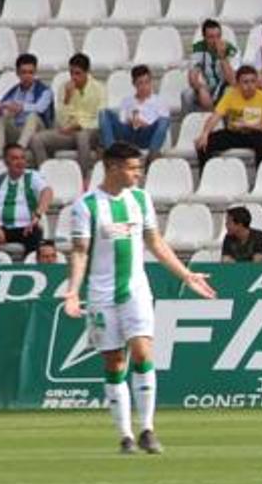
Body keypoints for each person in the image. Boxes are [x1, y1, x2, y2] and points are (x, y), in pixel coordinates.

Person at [64, 142, 216, 454]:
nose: (138, 174)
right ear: (113, 167)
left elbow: (155, 242)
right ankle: (125, 435)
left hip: (135, 290)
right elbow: (80, 252)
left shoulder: (141, 200)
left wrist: (186, 275)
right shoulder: (87, 206)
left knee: (143, 353)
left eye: (139, 168)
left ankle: (147, 429)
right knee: (115, 361)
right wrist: (73, 292)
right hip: (101, 294)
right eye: (133, 168)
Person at [31, 53, 103, 175]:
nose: (74, 77)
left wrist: (79, 125)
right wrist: (67, 98)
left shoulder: (99, 88)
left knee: (82, 135)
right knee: (37, 139)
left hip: (90, 132)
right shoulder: (63, 88)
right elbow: (60, 119)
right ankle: (46, 177)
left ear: (87, 72)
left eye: (78, 73)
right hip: (67, 132)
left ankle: (82, 178)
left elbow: (101, 119)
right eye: (71, 73)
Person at [195, 65, 262, 166]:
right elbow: (216, 116)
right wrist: (205, 133)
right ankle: (207, 177)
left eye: (253, 81)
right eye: (245, 82)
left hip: (257, 133)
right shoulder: (231, 95)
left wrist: (248, 125)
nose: (250, 85)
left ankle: (261, 178)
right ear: (238, 83)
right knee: (203, 145)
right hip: (234, 133)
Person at [0, 143, 52, 254]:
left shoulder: (32, 176)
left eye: (23, 158)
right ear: (6, 162)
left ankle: (31, 268)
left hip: (26, 227)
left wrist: (37, 215)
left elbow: (47, 192)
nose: (20, 162)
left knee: (35, 233)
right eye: (15, 158)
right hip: (0, 228)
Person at [98, 65, 170, 160]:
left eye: (147, 82)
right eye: (140, 83)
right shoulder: (126, 101)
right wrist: (129, 120)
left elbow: (162, 127)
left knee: (164, 120)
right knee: (103, 113)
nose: (144, 87)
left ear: (151, 82)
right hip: (128, 133)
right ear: (134, 84)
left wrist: (145, 124)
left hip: (147, 135)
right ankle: (112, 153)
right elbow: (122, 121)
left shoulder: (159, 101)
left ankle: (152, 155)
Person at [0, 53, 52, 158]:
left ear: (35, 73)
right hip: (17, 128)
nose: (27, 76)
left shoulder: (45, 91)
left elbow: (41, 108)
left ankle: (19, 151)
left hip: (38, 131)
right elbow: (3, 105)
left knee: (33, 115)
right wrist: (2, 108)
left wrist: (21, 107)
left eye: (31, 72)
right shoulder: (14, 91)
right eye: (24, 72)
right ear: (18, 73)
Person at [184, 19, 239, 114]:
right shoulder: (198, 48)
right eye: (211, 37)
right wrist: (200, 88)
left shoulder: (231, 50)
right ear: (204, 37)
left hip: (226, 86)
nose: (215, 41)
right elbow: (192, 77)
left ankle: (217, 121)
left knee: (229, 92)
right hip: (208, 86)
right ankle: (191, 124)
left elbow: (233, 81)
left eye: (218, 36)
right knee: (187, 95)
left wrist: (222, 57)